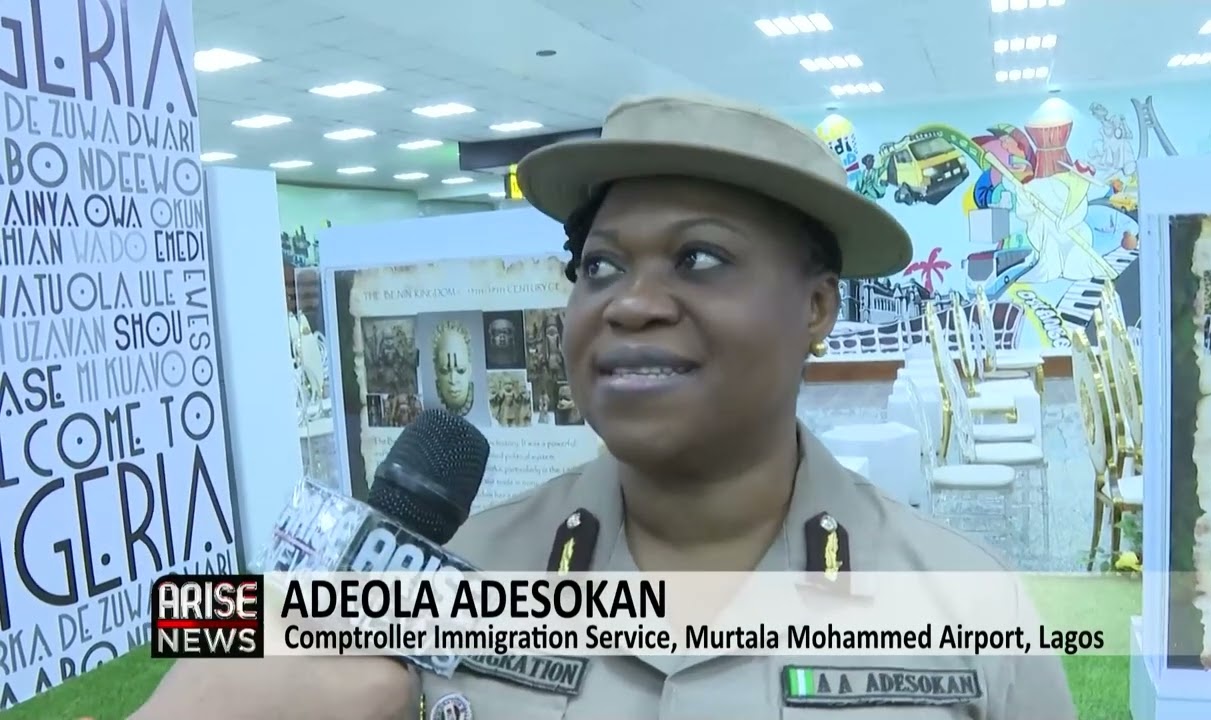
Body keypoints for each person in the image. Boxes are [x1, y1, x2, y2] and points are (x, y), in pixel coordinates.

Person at [128, 94, 1075, 720]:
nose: (630, 303)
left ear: (817, 307)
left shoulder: (968, 608)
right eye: (601, 265)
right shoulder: (455, 585)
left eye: (700, 258)